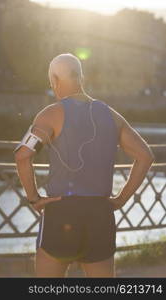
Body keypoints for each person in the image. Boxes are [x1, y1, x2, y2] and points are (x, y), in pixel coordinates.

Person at [14, 53, 154, 278]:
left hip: (61, 212)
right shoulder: (112, 116)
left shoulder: (50, 114)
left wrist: (34, 198)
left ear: (55, 80)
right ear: (81, 78)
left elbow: (22, 156)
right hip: (100, 213)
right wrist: (120, 199)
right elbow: (145, 156)